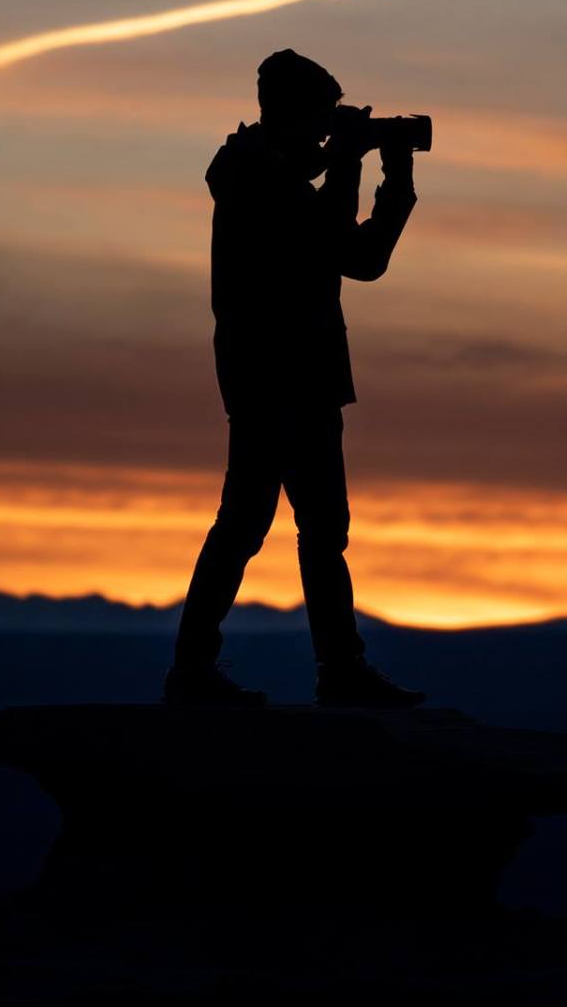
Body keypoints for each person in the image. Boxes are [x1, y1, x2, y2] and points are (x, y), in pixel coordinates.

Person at [163, 49, 428, 709]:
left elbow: (360, 260)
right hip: (279, 376)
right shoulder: (257, 181)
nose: (326, 132)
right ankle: (314, 671)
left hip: (291, 375)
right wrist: (349, 161)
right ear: (290, 114)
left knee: (294, 525)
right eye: (320, 118)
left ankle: (312, 669)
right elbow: (334, 240)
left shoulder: (266, 174)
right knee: (263, 524)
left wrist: (393, 179)